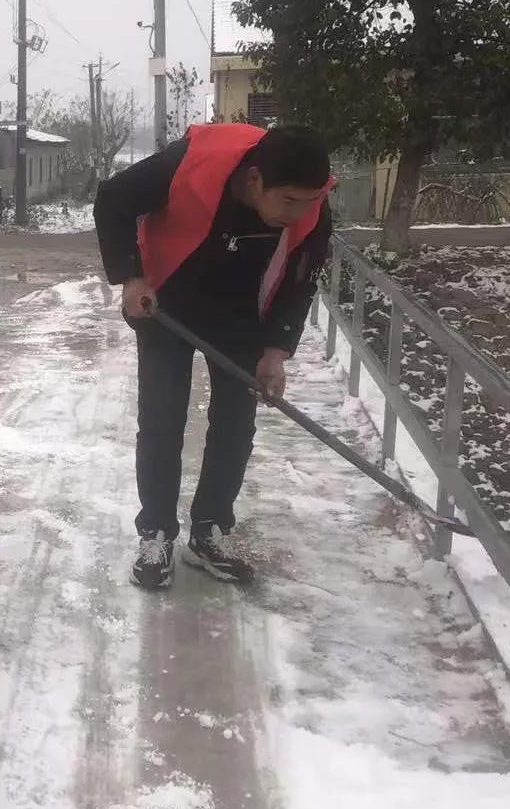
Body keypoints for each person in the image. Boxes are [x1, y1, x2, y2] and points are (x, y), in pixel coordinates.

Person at [94, 122, 333, 590]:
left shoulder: (310, 206)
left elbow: (300, 280)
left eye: (310, 201)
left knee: (236, 424)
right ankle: (157, 533)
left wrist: (275, 351)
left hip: (242, 313)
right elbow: (113, 198)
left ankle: (210, 532)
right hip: (168, 301)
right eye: (288, 201)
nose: (300, 213)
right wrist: (132, 277)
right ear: (255, 179)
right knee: (163, 419)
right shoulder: (187, 166)